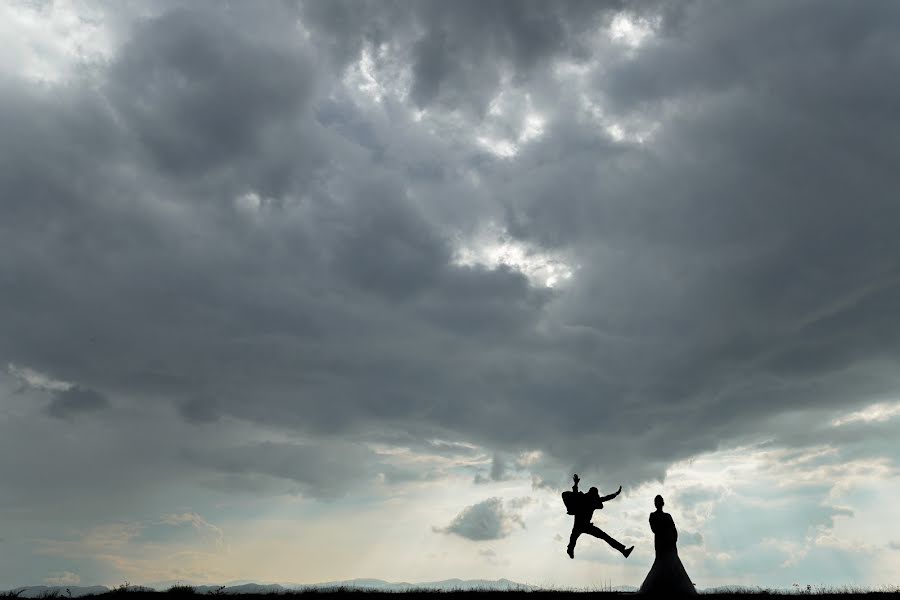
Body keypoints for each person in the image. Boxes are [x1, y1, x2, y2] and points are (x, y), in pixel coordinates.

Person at [564, 474, 634, 559]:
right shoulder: (585, 499)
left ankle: (624, 551)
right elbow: (576, 494)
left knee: (604, 536)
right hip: (580, 525)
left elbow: (606, 498)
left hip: (585, 526)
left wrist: (616, 493)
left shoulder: (590, 500)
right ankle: (570, 549)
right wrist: (575, 484)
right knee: (574, 539)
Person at [639, 495, 696, 595]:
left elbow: (674, 531)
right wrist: (667, 531)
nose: (659, 503)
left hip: (670, 545)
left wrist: (673, 540)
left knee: (673, 566)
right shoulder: (653, 515)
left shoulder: (667, 516)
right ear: (655, 504)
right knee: (660, 566)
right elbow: (654, 529)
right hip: (661, 545)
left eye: (660, 501)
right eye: (657, 501)